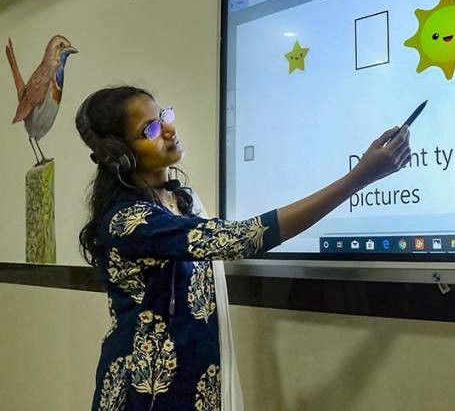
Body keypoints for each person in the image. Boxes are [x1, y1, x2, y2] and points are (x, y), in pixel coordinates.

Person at [75, 86, 411, 411]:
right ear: (118, 155)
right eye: (149, 128)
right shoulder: (130, 222)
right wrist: (358, 179)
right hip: (147, 392)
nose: (169, 128)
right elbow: (245, 237)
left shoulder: (179, 201)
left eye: (163, 115)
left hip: (191, 381)